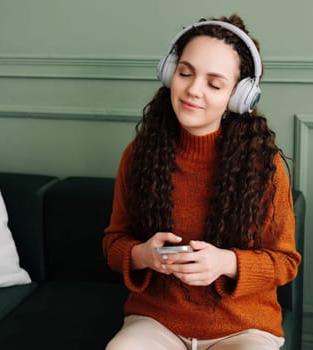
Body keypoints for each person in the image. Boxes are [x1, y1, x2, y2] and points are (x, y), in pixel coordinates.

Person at [103, 13, 301, 350]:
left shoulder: (265, 167)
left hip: (243, 327)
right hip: (157, 320)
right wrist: (143, 255)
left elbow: (286, 262)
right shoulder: (138, 155)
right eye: (185, 73)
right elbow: (113, 243)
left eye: (214, 83)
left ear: (239, 97)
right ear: (170, 73)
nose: (193, 90)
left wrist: (226, 263)